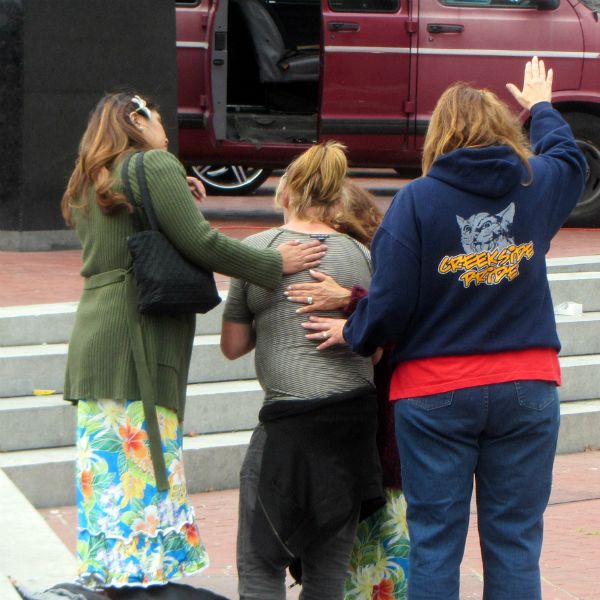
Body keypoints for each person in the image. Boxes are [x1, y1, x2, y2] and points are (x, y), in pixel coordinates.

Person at [302, 58, 587, 599]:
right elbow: (571, 159)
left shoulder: (416, 202)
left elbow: (389, 303)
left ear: (439, 136)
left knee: (434, 542)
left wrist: (356, 330)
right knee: (515, 542)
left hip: (433, 394)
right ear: (504, 130)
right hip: (527, 386)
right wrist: (542, 107)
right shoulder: (533, 184)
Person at [60, 92, 326, 596]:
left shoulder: (89, 178)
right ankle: (136, 584)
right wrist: (275, 264)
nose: (165, 129)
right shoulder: (154, 164)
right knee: (140, 470)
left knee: (109, 479)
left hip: (96, 339)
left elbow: (130, 227)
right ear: (136, 120)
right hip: (135, 341)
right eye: (157, 118)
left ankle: (111, 578)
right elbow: (201, 243)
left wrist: (172, 194)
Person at [220, 142, 384, 600]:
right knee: (327, 577)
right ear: (338, 200)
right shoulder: (361, 254)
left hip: (290, 427)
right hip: (352, 431)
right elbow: (376, 354)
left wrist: (270, 318)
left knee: (260, 563)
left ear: (285, 194)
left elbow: (232, 346)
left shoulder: (259, 251)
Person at [285, 181, 410, 599]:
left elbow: (394, 327)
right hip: (352, 453)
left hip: (382, 451)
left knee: (377, 572)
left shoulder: (381, 264)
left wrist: (350, 302)